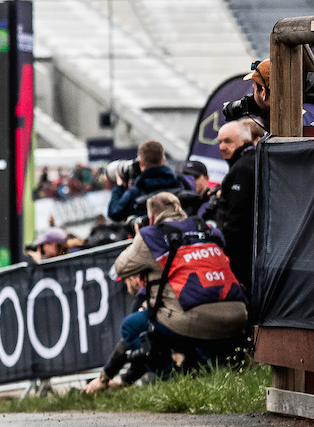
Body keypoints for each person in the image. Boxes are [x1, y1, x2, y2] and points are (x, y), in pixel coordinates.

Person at [107, 191, 247, 379]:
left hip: (193, 320)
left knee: (131, 326)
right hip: (238, 315)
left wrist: (139, 238)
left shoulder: (152, 235)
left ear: (151, 216)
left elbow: (118, 269)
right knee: (210, 346)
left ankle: (174, 380)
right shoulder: (206, 229)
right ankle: (219, 373)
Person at [211, 118, 261, 296]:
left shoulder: (243, 168)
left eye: (228, 141)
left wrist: (224, 252)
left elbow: (236, 218)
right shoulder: (248, 163)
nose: (222, 147)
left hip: (239, 259)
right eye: (219, 142)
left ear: (244, 142)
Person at [106, 140, 184, 222]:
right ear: (163, 160)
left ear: (141, 164)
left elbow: (114, 212)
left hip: (145, 233)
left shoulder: (136, 191)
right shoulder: (179, 183)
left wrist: (120, 186)